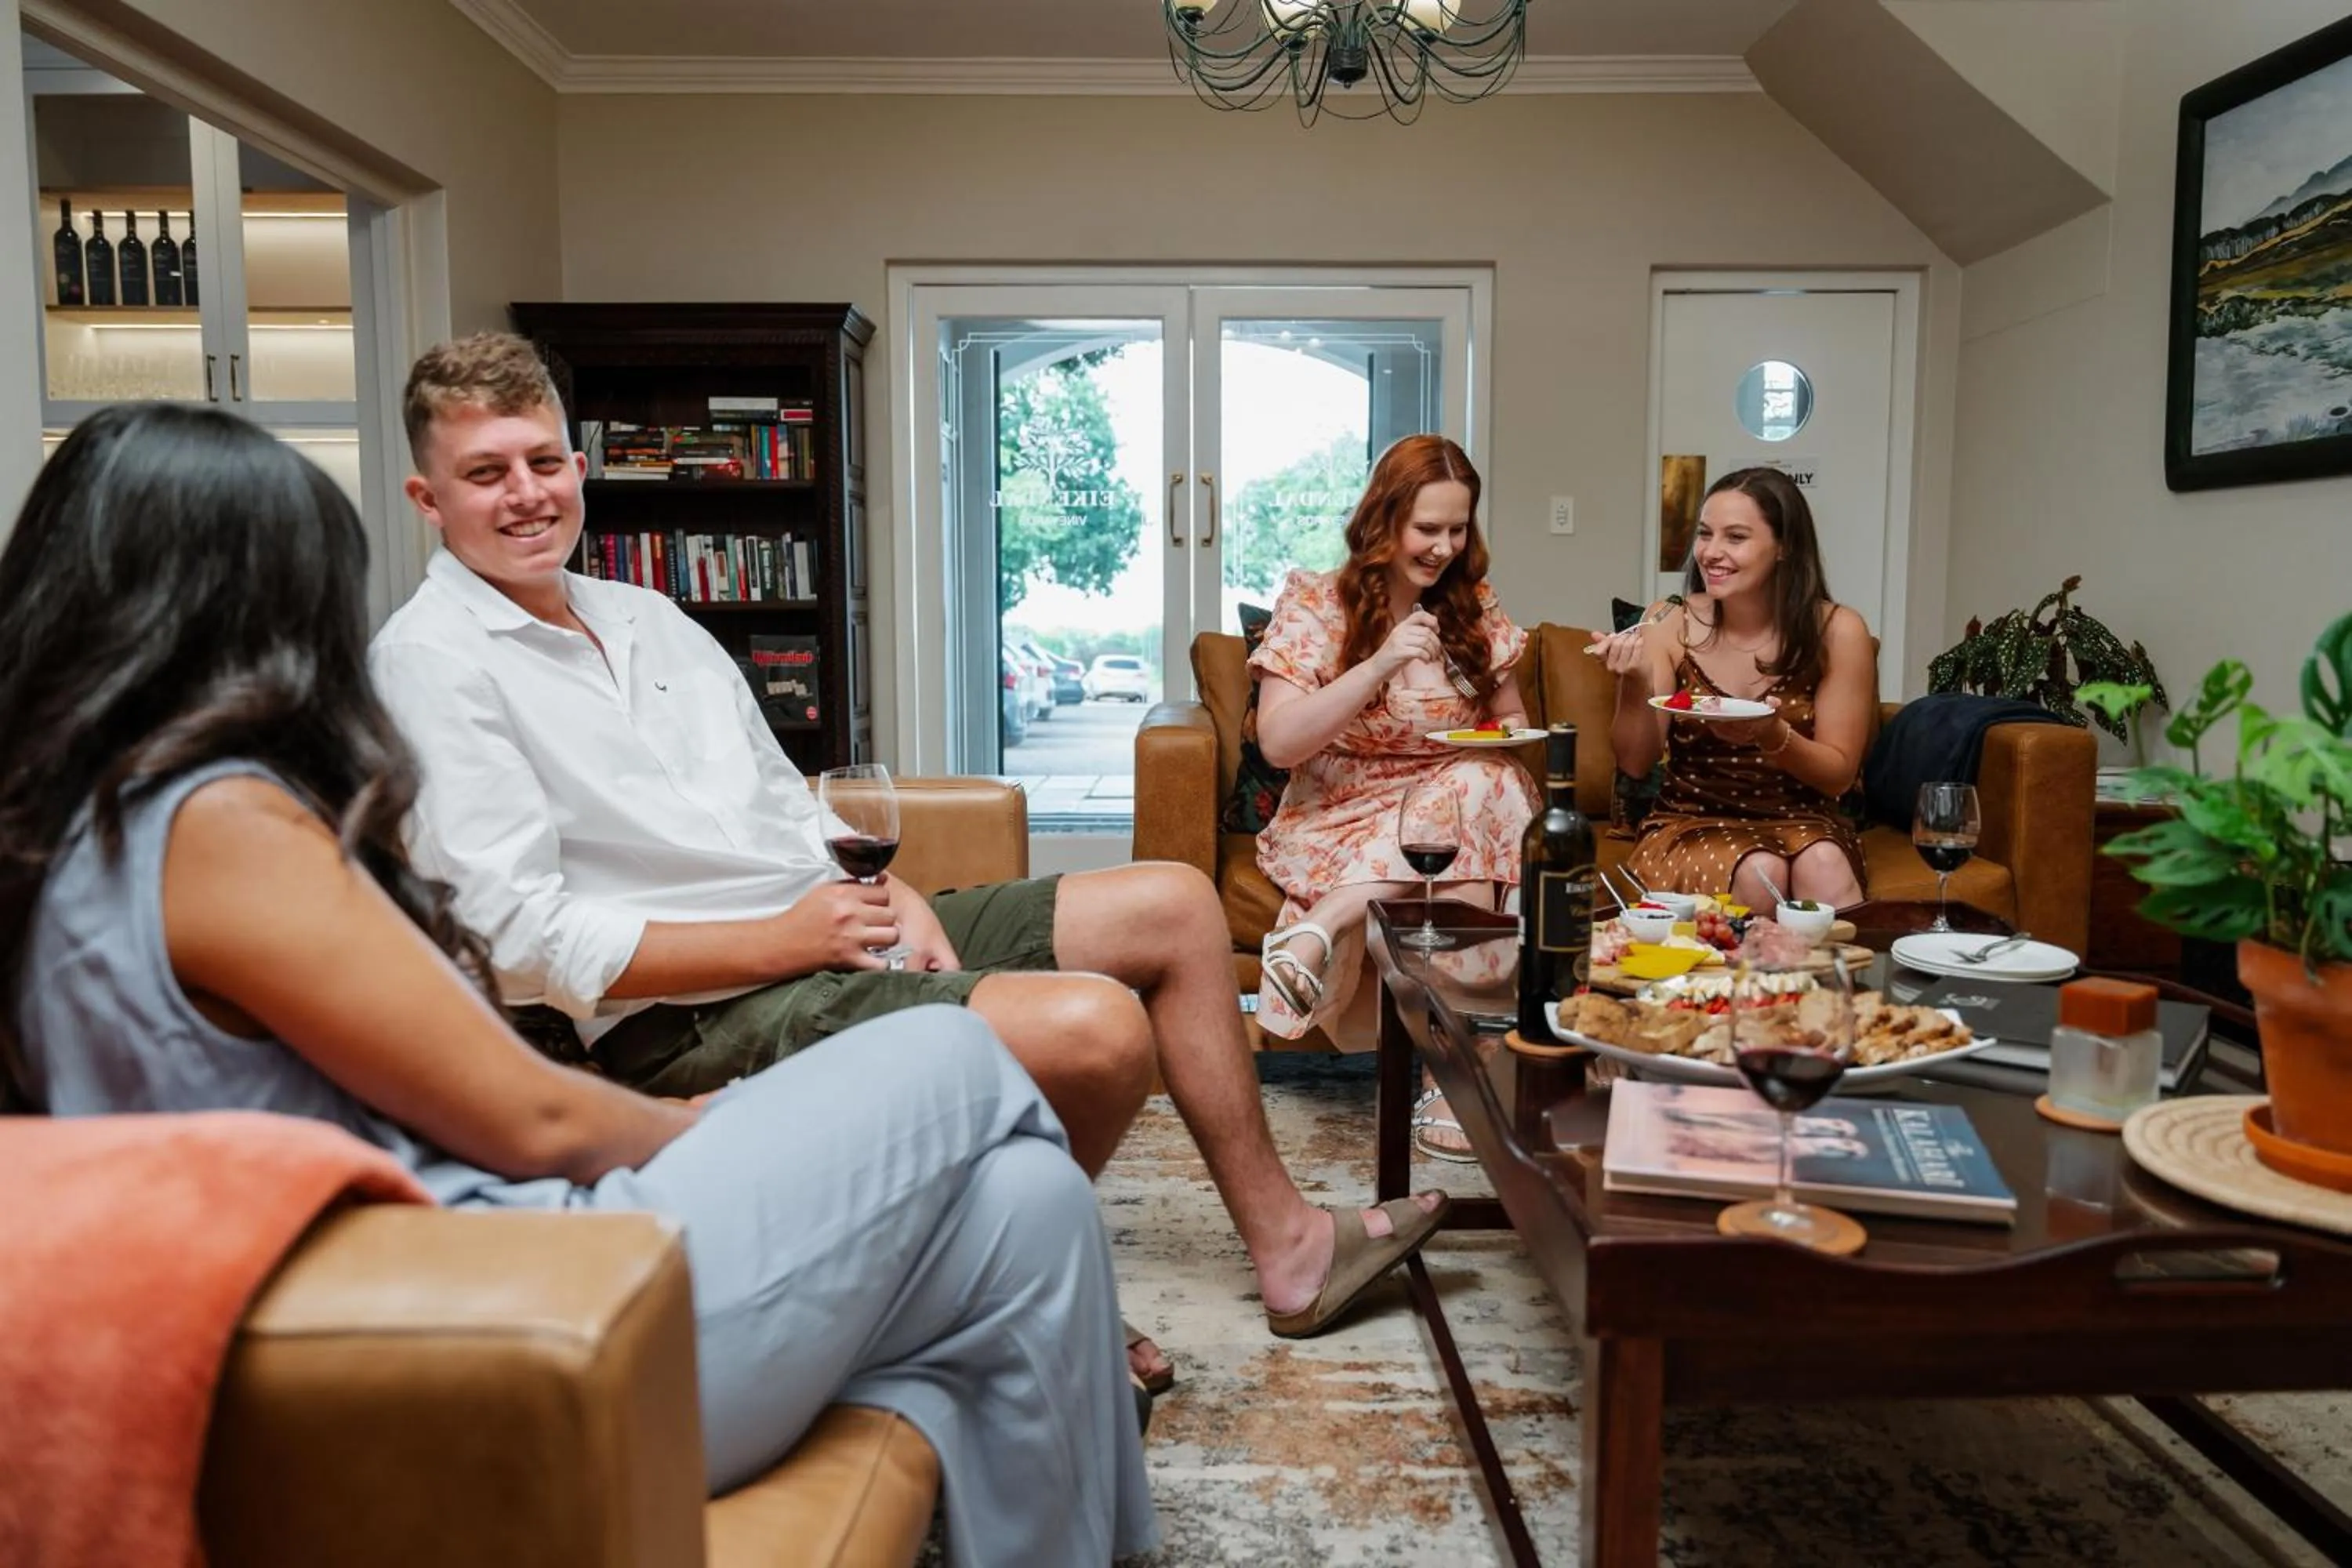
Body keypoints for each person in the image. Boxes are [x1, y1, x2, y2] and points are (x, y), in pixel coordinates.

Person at [0, 404, 1156, 1566]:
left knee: (1028, 1203)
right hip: (511, 1304)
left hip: (442, 1295)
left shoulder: (80, 832)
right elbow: (533, 1112)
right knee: (950, 1057)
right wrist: (707, 1122)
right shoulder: (214, 824)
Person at [368, 333, 1450, 1363]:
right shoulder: (432, 662)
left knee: (1173, 901)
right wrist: (781, 939)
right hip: (675, 1017)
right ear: (429, 498)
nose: (526, 494)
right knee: (1099, 1033)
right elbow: (513, 938)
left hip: (817, 932)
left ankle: (1291, 1247)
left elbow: (777, 803)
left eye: (544, 460)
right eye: (485, 472)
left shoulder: (646, 616)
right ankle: (1009, 1285)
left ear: (577, 464)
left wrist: (903, 900)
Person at [1247, 434, 1540, 1157]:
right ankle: (1456, 1076)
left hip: (1456, 809)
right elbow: (1279, 745)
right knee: (1483, 823)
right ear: (1384, 520)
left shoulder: (1474, 609)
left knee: (1488, 784)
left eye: (1458, 529)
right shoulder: (1317, 603)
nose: (1443, 547)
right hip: (1341, 811)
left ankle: (1327, 924)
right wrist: (1379, 663)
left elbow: (1514, 725)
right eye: (1427, 528)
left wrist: (1497, 736)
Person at [1590, 466, 1875, 913]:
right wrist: (1633, 681)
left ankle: (1830, 984)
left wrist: (1772, 736)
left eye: (1735, 538)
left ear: (1784, 547)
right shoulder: (1670, 621)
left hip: (1804, 820)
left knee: (1823, 864)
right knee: (1760, 871)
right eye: (1705, 534)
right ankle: (1737, 986)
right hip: (1692, 820)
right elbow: (1635, 760)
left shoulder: (1838, 630)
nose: (1711, 552)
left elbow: (1839, 773)